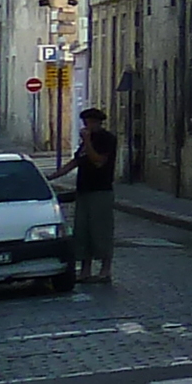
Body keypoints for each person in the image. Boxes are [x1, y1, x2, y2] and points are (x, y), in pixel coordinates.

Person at [64, 107, 119, 286]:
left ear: (98, 122)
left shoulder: (106, 139)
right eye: (85, 122)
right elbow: (76, 161)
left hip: (101, 191)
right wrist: (51, 176)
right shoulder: (85, 142)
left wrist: (87, 141)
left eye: (90, 122)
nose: (87, 125)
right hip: (84, 190)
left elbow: (97, 161)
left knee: (101, 231)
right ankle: (85, 270)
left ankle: (105, 270)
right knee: (82, 231)